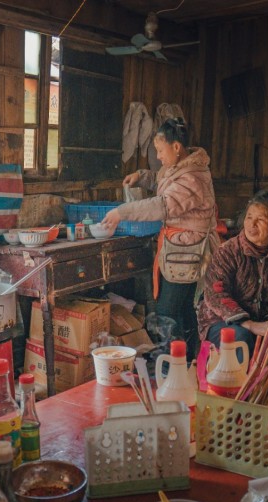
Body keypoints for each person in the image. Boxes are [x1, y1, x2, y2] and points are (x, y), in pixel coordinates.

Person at [102, 118, 218, 353]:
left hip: (187, 252)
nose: (158, 157)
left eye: (160, 150)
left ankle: (173, 366)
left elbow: (162, 205)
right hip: (180, 250)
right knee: (183, 308)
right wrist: (142, 176)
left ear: (176, 147)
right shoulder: (182, 168)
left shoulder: (192, 178)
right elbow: (162, 179)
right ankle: (191, 362)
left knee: (168, 312)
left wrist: (121, 212)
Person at [196, 190, 268, 393]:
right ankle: (237, 396)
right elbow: (216, 294)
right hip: (221, 321)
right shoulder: (227, 252)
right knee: (240, 337)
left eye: (261, 219)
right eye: (249, 217)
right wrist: (250, 324)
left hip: (264, 321)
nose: (252, 225)